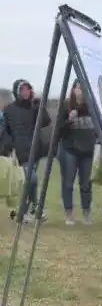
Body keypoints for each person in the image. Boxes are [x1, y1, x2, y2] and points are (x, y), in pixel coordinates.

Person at [4, 79, 51, 222]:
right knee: (32, 179)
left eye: (28, 89)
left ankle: (34, 210)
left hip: (35, 149)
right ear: (17, 92)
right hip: (21, 151)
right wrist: (9, 146)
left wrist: (39, 105)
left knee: (32, 181)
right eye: (23, 90)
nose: (26, 92)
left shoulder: (34, 107)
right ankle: (26, 212)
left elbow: (46, 121)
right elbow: (5, 130)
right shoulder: (9, 110)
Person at [58, 79, 95, 225]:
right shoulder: (66, 106)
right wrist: (68, 120)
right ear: (73, 89)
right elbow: (58, 130)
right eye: (79, 88)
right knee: (68, 182)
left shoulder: (92, 106)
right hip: (70, 149)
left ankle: (86, 212)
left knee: (86, 184)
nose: (82, 91)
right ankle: (69, 214)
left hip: (88, 151)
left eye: (84, 88)